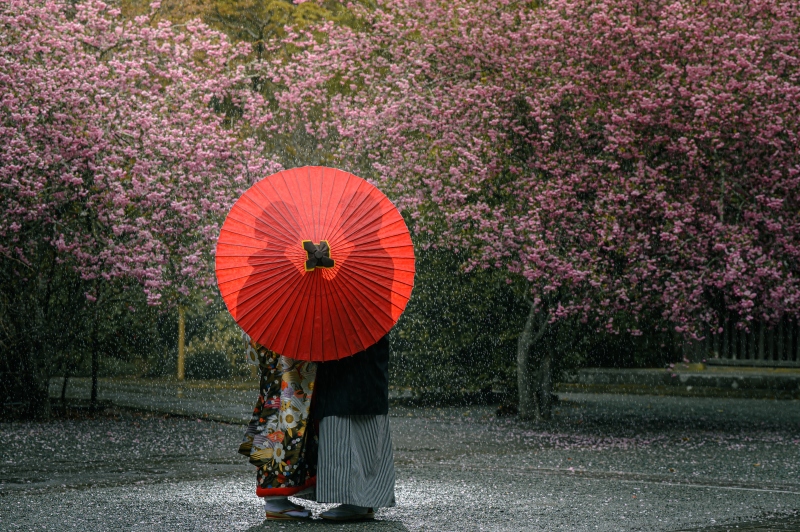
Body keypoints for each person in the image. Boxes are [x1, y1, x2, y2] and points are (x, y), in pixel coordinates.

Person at [238, 334, 395, 522]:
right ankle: (276, 499)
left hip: (281, 340)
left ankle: (277, 498)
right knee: (285, 406)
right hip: (289, 345)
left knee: (280, 405)